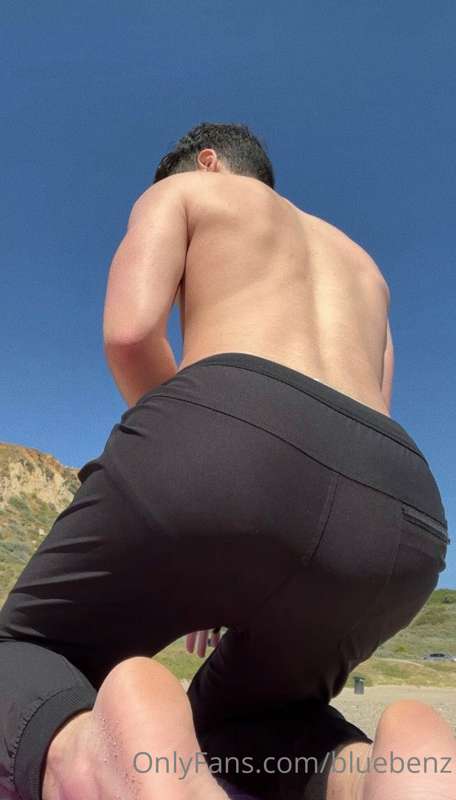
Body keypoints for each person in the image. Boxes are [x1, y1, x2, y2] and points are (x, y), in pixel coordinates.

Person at [0, 121, 452, 800]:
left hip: (225, 433)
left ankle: (99, 762)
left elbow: (130, 333)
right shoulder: (364, 267)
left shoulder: (188, 192)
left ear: (207, 161)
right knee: (252, 721)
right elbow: (347, 436)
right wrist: (219, 547)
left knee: (24, 655)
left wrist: (199, 464)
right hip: (400, 506)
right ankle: (379, 776)